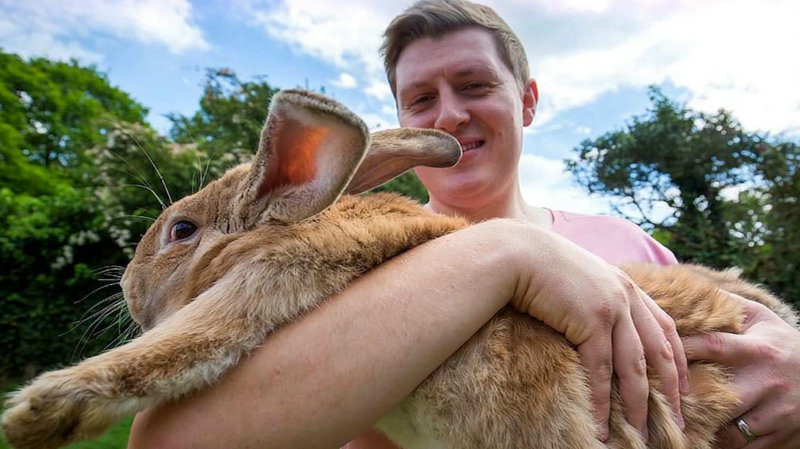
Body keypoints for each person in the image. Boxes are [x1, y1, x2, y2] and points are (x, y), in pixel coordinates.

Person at [127, 1, 800, 448]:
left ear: (527, 102)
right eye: (422, 98)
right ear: (397, 125)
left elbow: (734, 363)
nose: (449, 114)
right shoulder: (347, 266)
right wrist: (508, 253)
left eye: (475, 85)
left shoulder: (632, 246)